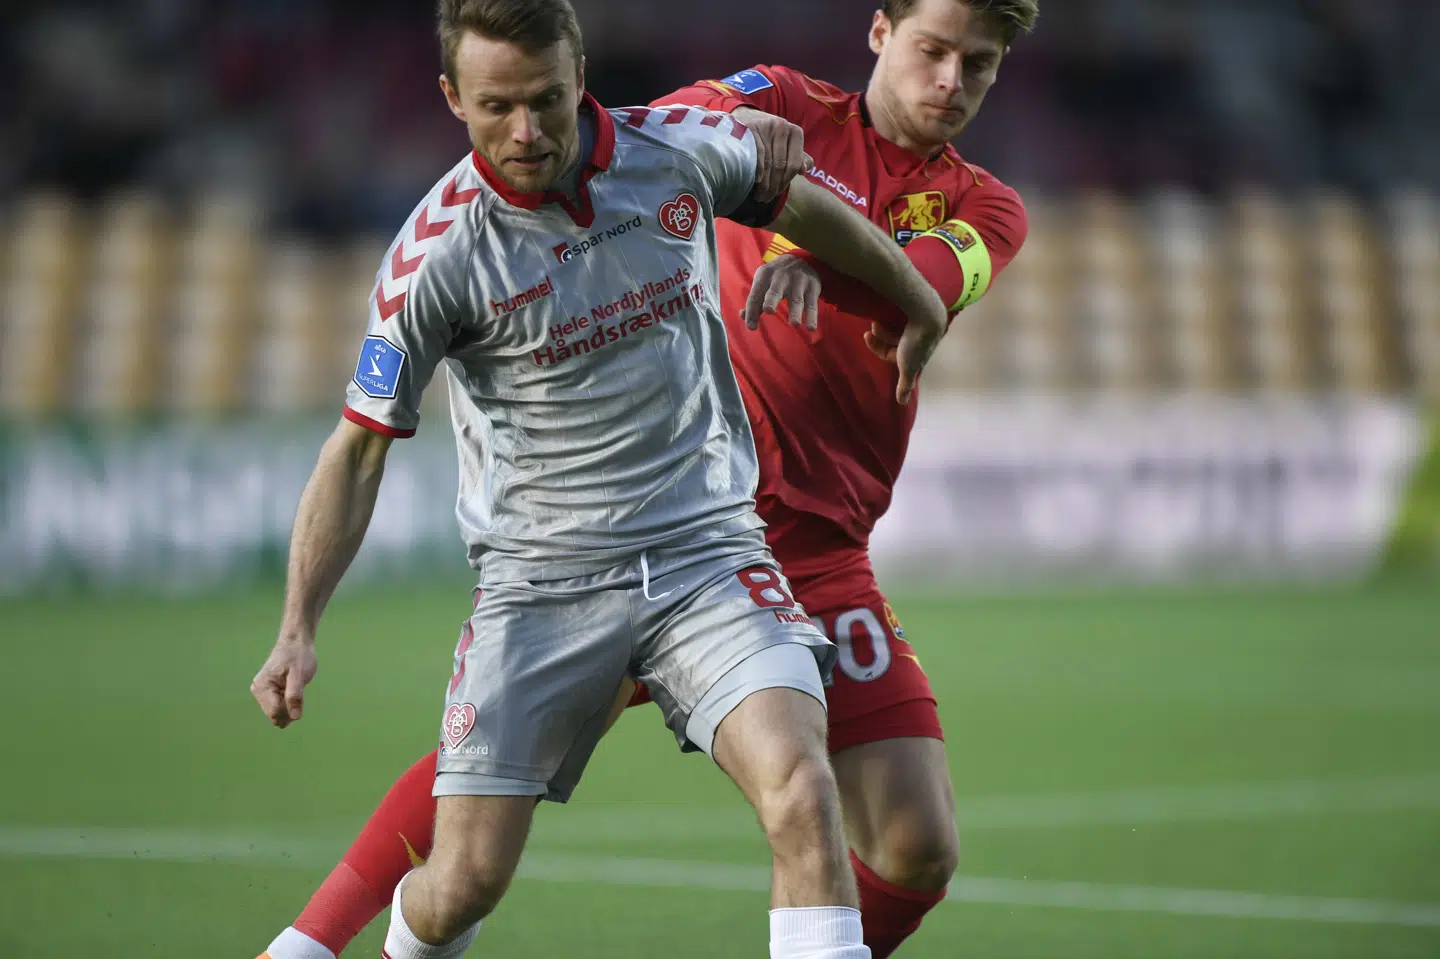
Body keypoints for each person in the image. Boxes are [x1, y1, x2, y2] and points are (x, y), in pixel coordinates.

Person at [255, 0, 1033, 957]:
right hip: (591, 548)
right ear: (879, 33)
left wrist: (810, 244)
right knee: (471, 853)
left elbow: (922, 278)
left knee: (901, 834)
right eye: (933, 50)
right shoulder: (772, 103)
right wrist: (298, 625)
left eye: (978, 64)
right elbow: (686, 124)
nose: (951, 81)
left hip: (765, 542)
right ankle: (308, 945)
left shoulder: (987, 204)